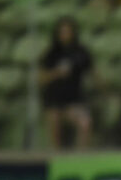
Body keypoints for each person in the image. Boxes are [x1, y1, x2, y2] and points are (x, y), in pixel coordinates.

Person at [39, 16, 94, 149]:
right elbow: (41, 78)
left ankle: (80, 157)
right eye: (62, 32)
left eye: (68, 31)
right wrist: (56, 73)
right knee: (54, 120)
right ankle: (56, 155)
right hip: (54, 101)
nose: (65, 35)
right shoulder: (51, 53)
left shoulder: (81, 52)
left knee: (85, 122)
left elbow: (93, 72)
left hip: (73, 101)